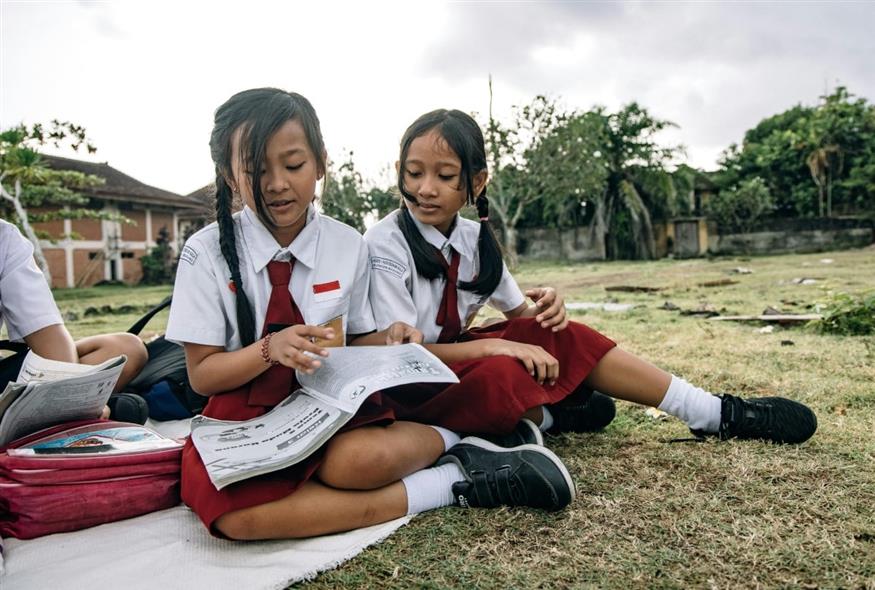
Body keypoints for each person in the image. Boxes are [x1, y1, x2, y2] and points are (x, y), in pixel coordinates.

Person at [166, 88, 577, 541]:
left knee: (356, 463)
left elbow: (356, 341)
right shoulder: (203, 253)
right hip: (244, 413)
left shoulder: (346, 244)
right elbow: (203, 376)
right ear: (228, 174)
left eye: (294, 165)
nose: (277, 183)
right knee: (234, 518)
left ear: (321, 163)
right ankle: (448, 483)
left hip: (327, 403)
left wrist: (389, 338)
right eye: (255, 170)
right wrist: (269, 349)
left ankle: (466, 440)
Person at [363, 108, 818, 445]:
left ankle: (711, 412)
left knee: (560, 336)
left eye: (445, 176)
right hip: (408, 382)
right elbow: (403, 356)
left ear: (477, 184)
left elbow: (520, 315)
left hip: (455, 361)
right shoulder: (385, 242)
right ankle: (552, 418)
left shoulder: (472, 238)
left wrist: (547, 311)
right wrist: (495, 343)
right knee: (499, 371)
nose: (425, 188)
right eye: (414, 172)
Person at [0, 218, 149, 422]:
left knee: (126, 349)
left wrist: (72, 401)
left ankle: (59, 418)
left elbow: (47, 333)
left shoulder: (5, 237)